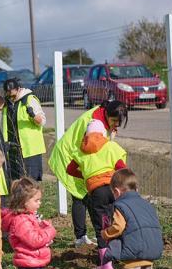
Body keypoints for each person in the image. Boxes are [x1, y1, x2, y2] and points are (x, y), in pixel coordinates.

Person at [48, 100, 128, 247]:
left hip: (82, 158)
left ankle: (101, 236)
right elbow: (97, 149)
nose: (116, 125)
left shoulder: (103, 112)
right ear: (107, 115)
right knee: (80, 197)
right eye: (114, 121)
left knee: (90, 197)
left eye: (119, 122)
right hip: (71, 155)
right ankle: (81, 237)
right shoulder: (95, 124)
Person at [67, 123, 127, 269]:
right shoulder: (110, 146)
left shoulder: (81, 150)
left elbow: (70, 169)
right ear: (102, 133)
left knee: (102, 224)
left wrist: (88, 175)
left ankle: (106, 264)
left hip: (96, 192)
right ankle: (123, 253)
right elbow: (121, 166)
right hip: (114, 188)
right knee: (118, 219)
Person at [2, 78, 46, 181]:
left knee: (29, 182)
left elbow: (42, 121)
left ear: (19, 89)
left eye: (13, 95)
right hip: (12, 148)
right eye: (8, 95)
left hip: (30, 151)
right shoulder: (7, 103)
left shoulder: (30, 100)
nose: (11, 98)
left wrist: (32, 115)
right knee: (15, 181)